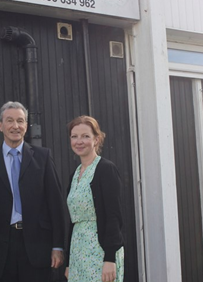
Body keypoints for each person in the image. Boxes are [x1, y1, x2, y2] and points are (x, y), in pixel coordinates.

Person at [0, 101, 65, 282]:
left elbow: (56, 205)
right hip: (0, 250)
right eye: (10, 121)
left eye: (20, 121)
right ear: (0, 126)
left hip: (37, 247)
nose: (15, 126)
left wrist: (58, 246)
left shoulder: (43, 157)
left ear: (26, 126)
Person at [65, 115, 124, 282]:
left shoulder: (106, 169)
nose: (79, 141)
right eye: (74, 136)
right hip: (78, 251)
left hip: (100, 251)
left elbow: (114, 216)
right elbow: (72, 221)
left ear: (96, 139)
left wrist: (110, 258)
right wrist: (69, 262)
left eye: (85, 136)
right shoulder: (75, 175)